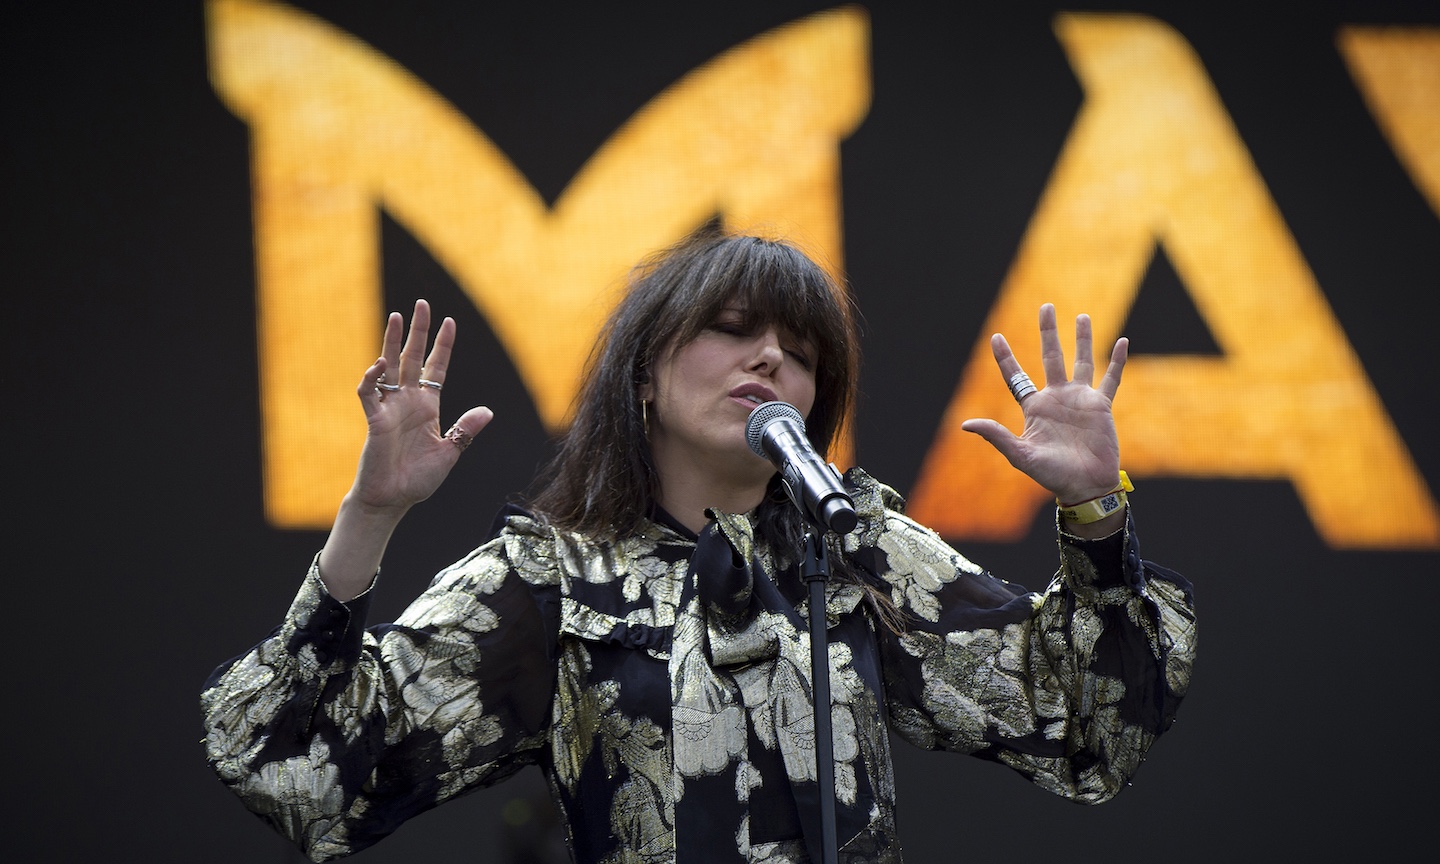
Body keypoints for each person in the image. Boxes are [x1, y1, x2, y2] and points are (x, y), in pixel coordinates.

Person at [201, 228, 1196, 864]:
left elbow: (1082, 721)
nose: (771, 357)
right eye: (731, 330)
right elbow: (293, 765)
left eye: (801, 355)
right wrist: (369, 515)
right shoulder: (551, 578)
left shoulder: (856, 545)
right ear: (643, 380)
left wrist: (1096, 513)